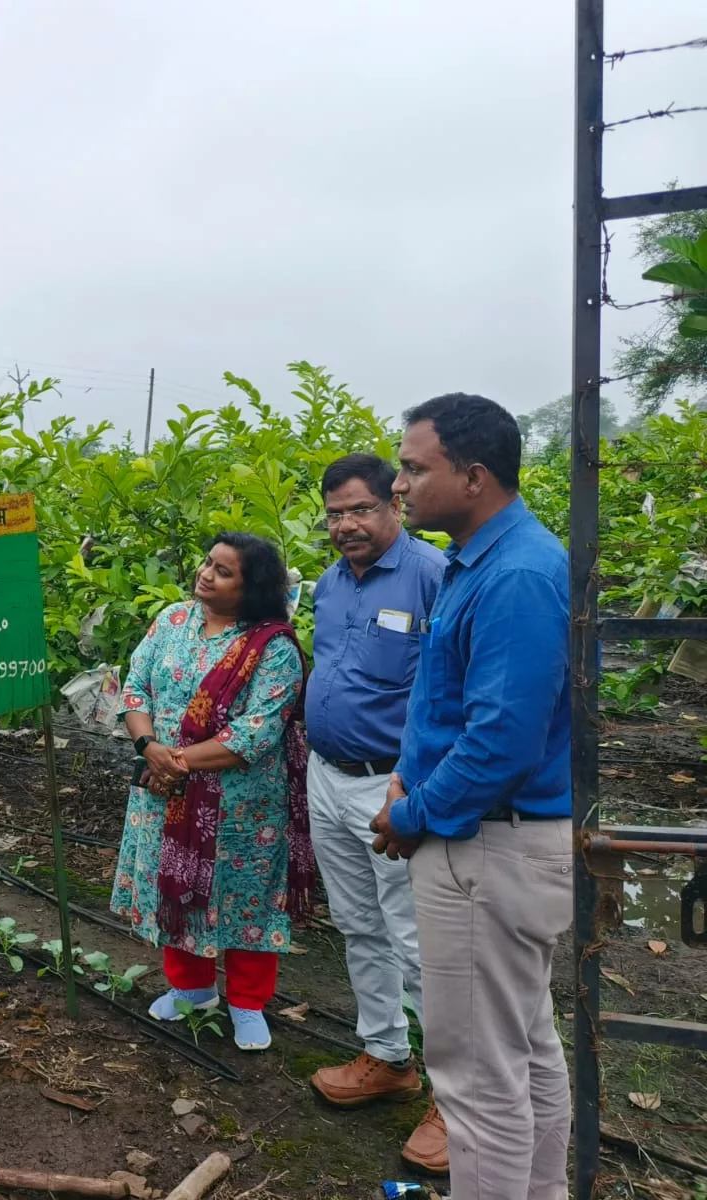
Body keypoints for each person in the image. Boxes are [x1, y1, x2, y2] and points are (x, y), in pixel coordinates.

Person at [371, 394, 573, 1200]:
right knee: (523, 1049)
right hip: (487, 838)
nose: (400, 485)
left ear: (475, 475)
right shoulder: (482, 559)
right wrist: (406, 773)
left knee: (475, 1078)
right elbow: (450, 702)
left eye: (416, 468)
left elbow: (502, 741)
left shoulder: (518, 573)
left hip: (486, 846)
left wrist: (411, 813)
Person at [301, 454, 449, 1173]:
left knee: (418, 941)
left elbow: (444, 692)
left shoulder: (430, 576)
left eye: (360, 510)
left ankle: (457, 1096)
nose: (346, 526)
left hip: (390, 785)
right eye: (334, 514)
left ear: (394, 502)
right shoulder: (331, 584)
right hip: (326, 775)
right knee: (359, 925)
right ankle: (388, 1055)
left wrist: (412, 787)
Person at [111, 531, 313, 1053]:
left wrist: (170, 761)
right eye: (208, 563)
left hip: (239, 805)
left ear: (252, 589)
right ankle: (193, 989)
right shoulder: (173, 621)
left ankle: (247, 1002)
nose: (206, 574)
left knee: (241, 899)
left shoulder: (273, 648)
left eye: (224, 572)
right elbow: (136, 686)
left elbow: (256, 733)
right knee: (175, 888)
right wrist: (149, 746)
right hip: (163, 789)